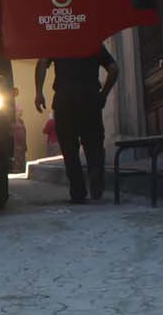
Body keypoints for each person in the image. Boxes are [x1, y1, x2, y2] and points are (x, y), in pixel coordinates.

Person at [35, 47, 118, 204]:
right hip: (90, 98)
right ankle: (96, 182)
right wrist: (104, 95)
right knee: (94, 145)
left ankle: (78, 191)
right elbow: (114, 69)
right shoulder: (93, 43)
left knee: (69, 149)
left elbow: (42, 62)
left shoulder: (59, 41)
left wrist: (39, 93)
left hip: (64, 100)